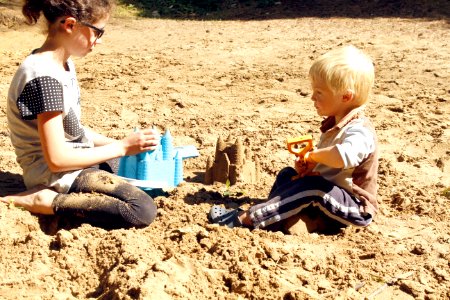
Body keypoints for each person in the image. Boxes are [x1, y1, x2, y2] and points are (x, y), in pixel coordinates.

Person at [0, 0, 159, 229]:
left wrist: (124, 146)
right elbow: (57, 159)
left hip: (74, 159)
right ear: (70, 25)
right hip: (52, 172)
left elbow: (73, 130)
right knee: (140, 209)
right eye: (97, 32)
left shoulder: (62, 64)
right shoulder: (44, 77)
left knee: (129, 168)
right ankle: (44, 200)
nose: (100, 40)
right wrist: (123, 147)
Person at [209, 45, 379, 232]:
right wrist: (312, 168)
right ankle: (282, 216)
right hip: (329, 199)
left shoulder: (360, 131)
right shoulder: (334, 123)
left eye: (319, 93)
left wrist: (313, 156)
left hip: (354, 208)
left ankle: (247, 219)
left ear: (346, 96)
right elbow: (332, 168)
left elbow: (341, 157)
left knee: (313, 186)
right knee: (288, 175)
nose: (312, 97)